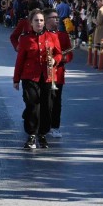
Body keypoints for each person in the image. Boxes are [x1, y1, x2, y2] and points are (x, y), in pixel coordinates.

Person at [13, 9, 61, 150]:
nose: (39, 23)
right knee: (32, 105)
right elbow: (20, 60)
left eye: (41, 20)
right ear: (31, 23)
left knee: (47, 107)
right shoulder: (25, 38)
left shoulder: (52, 36)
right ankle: (32, 134)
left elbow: (58, 54)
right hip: (30, 76)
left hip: (48, 76)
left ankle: (42, 134)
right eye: (36, 20)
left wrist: (55, 60)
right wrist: (16, 79)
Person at [43, 8, 72, 139]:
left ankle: (55, 127)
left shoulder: (63, 35)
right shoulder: (40, 35)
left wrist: (64, 58)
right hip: (43, 73)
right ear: (46, 20)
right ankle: (43, 125)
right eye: (53, 18)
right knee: (44, 101)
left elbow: (69, 53)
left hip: (58, 73)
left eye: (57, 18)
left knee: (56, 102)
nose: (56, 20)